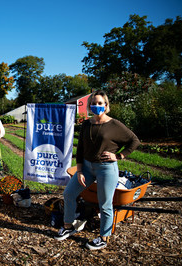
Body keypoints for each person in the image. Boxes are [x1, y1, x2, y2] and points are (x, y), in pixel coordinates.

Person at [54, 90, 140, 250]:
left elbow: (134, 141)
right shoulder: (86, 124)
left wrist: (119, 155)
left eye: (100, 103)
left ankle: (103, 238)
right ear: (89, 106)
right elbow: (80, 149)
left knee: (105, 204)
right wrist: (79, 171)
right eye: (93, 103)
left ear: (106, 105)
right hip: (86, 167)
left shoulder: (115, 125)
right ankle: (68, 227)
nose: (96, 106)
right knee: (69, 193)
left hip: (106, 169)